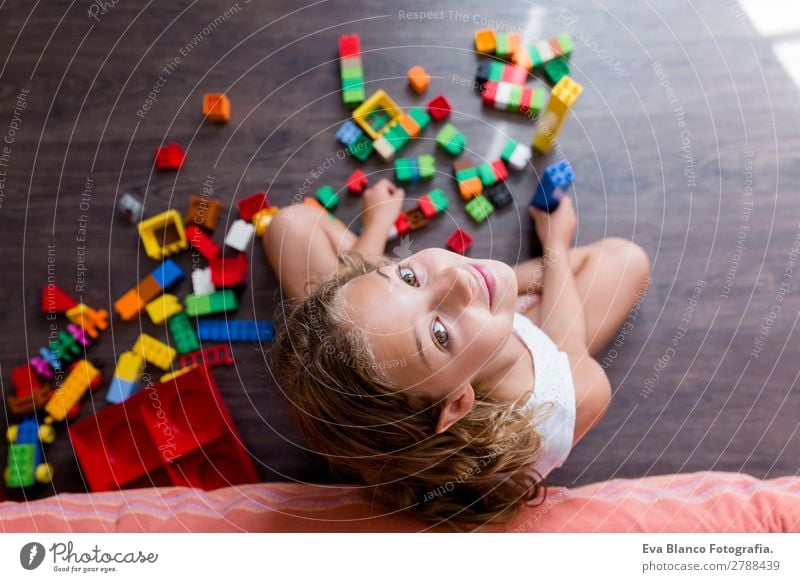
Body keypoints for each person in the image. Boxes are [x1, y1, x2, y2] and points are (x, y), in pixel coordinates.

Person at [265, 179, 650, 529]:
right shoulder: (570, 396)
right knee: (628, 261)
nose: (456, 277)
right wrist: (555, 243)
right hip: (531, 335)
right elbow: (567, 340)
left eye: (408, 277)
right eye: (437, 335)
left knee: (290, 225)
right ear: (457, 403)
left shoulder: (414, 379)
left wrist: (378, 222)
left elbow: (358, 287)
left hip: (473, 332)